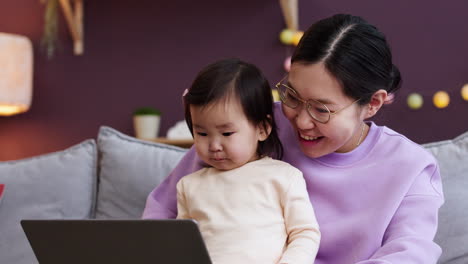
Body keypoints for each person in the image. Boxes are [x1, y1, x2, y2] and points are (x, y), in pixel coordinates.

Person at [143, 14, 444, 264]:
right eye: (293, 97)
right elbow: (163, 212)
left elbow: (409, 254)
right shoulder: (251, 126)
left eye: (321, 109)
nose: (300, 121)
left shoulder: (410, 168)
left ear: (373, 103)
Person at [174, 58, 320, 264]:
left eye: (226, 133)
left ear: (262, 128)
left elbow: (305, 233)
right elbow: (183, 244)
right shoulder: (188, 186)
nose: (214, 145)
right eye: (202, 133)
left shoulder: (283, 177)